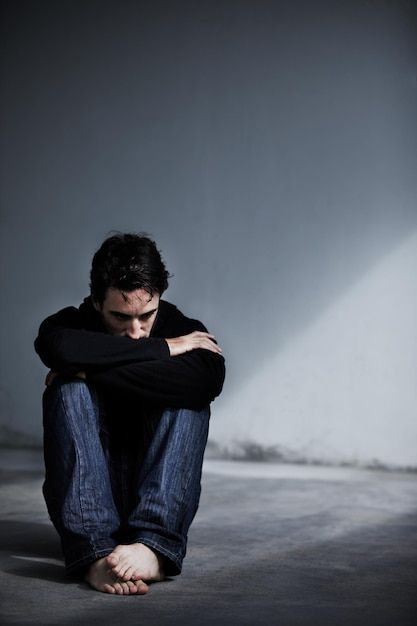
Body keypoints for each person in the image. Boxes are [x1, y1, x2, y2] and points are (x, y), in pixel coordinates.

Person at [34, 232, 225, 595]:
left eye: (147, 316)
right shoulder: (72, 325)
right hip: (88, 494)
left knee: (189, 399)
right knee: (67, 388)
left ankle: (153, 545)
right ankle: (94, 554)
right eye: (120, 318)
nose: (136, 332)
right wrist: (163, 350)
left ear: (159, 298)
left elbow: (205, 381)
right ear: (95, 302)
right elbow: (57, 346)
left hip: (155, 491)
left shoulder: (183, 328)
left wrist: (91, 368)